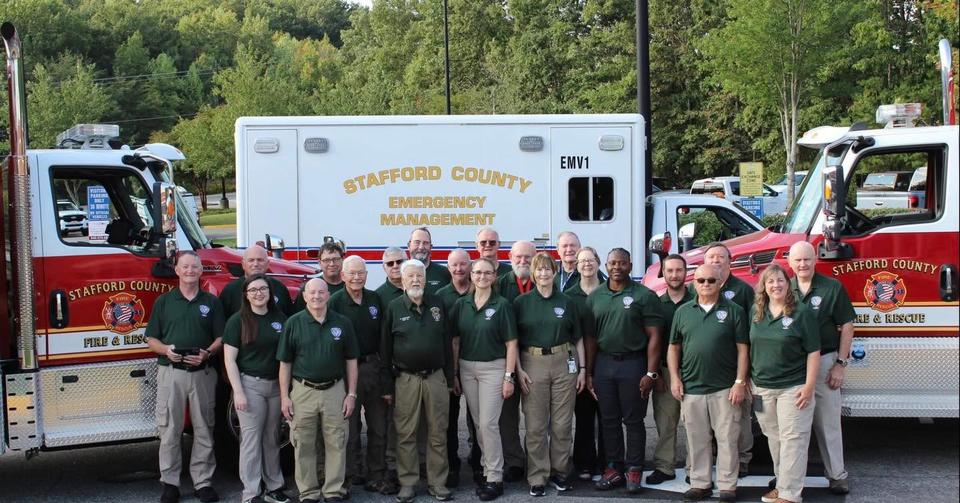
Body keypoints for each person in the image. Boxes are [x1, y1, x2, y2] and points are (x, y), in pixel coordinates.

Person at [145, 251, 225, 503]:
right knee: (170, 429)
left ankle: (203, 482)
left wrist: (207, 353)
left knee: (204, 428)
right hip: (171, 374)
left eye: (195, 267)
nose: (190, 271)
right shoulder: (164, 302)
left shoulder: (211, 302)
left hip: (203, 373)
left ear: (201, 271)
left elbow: (221, 337)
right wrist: (166, 350)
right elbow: (151, 339)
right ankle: (170, 483)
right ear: (177, 270)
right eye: (185, 267)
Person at [668, 264, 749, 503]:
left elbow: (743, 350)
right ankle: (700, 483)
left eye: (711, 280)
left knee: (727, 439)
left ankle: (727, 486)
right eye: (701, 280)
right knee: (697, 440)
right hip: (691, 387)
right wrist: (675, 378)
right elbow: (673, 347)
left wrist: (740, 382)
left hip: (725, 388)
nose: (706, 284)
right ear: (694, 283)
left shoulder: (734, 311)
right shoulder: (683, 312)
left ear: (720, 283)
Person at [586, 248, 663, 494]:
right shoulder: (595, 297)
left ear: (630, 266)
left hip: (633, 364)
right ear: (606, 266)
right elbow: (591, 338)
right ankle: (614, 468)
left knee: (633, 420)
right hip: (604, 365)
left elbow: (655, 336)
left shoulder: (644, 295)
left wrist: (650, 373)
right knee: (608, 420)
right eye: (612, 263)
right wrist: (589, 372)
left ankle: (634, 468)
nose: (616, 267)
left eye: (622, 263)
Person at [278, 278, 360, 503]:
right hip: (303, 391)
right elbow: (285, 363)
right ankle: (308, 492)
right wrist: (285, 397)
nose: (316, 296)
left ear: (328, 295)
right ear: (304, 296)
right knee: (303, 444)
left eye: (321, 292)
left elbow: (351, 360)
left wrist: (351, 394)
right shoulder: (294, 323)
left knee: (336, 441)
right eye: (312, 292)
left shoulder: (342, 322)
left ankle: (333, 490)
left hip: (335, 390)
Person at [380, 259, 455, 503]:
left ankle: (437, 483)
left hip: (436, 377)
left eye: (419, 276)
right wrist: (387, 386)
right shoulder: (393, 308)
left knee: (438, 432)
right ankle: (408, 483)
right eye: (410, 276)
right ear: (402, 281)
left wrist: (450, 378)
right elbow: (385, 350)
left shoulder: (438, 303)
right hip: (406, 379)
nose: (415, 280)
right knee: (406, 433)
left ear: (425, 278)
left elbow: (446, 343)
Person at [513, 253, 584, 496]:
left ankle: (559, 472)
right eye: (539, 269)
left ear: (555, 272)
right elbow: (513, 341)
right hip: (532, 362)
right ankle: (537, 476)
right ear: (533, 274)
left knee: (562, 424)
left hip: (564, 361)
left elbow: (578, 338)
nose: (544, 273)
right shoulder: (521, 303)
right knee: (535, 425)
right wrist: (518, 370)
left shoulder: (567, 301)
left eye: (548, 269)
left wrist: (582, 370)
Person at [787, 241, 854, 496]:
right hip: (793, 366)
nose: (802, 264)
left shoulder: (832, 287)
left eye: (807, 259)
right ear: (790, 262)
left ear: (815, 259)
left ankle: (837, 475)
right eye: (797, 260)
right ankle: (788, 477)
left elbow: (847, 325)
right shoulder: (783, 288)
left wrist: (840, 364)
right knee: (792, 427)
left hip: (825, 362)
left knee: (828, 424)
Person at [750, 264, 820, 503]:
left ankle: (790, 494)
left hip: (793, 386)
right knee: (774, 437)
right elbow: (748, 347)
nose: (776, 285)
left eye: (780, 280)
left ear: (788, 284)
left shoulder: (801, 312)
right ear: (764, 286)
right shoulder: (756, 312)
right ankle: (782, 485)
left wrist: (809, 386)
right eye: (770, 281)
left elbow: (814, 351)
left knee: (793, 439)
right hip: (762, 387)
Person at [452, 257, 519, 501]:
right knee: (479, 423)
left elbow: (511, 343)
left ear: (494, 276)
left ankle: (495, 478)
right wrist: (455, 373)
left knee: (488, 424)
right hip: (467, 369)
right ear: (471, 275)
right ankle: (486, 468)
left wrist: (509, 376)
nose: (482, 276)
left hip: (494, 368)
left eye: (487, 273)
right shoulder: (462, 304)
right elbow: (455, 341)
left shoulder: (502, 305)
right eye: (478, 272)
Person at [328, 257, 396, 494]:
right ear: (343, 276)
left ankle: (376, 474)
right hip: (347, 370)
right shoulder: (335, 302)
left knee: (379, 425)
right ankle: (351, 474)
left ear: (367, 275)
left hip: (373, 367)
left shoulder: (375, 299)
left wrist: (385, 375)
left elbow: (384, 339)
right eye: (352, 273)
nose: (357, 277)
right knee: (350, 426)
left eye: (361, 273)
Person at [222, 274, 290, 503]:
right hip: (250, 386)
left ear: (270, 293)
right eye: (253, 290)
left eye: (263, 289)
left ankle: (274, 487)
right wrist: (238, 392)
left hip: (276, 386)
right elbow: (229, 360)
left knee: (272, 438)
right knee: (251, 440)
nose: (259, 293)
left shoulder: (280, 319)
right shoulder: (237, 321)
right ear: (246, 294)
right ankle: (251, 493)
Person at [699, 242, 756, 476]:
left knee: (738, 418)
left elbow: (753, 331)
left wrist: (745, 374)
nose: (715, 260)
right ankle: (715, 457)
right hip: (706, 369)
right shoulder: (697, 286)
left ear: (730, 262)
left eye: (720, 257)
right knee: (709, 419)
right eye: (711, 257)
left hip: (735, 368)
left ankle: (742, 459)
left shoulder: (743, 290)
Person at [647, 254, 694, 486]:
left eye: (679, 270)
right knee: (666, 422)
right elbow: (651, 342)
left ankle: (695, 468)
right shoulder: (656, 304)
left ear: (686, 272)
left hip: (694, 371)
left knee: (695, 424)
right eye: (670, 271)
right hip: (665, 372)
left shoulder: (698, 300)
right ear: (663, 273)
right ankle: (664, 467)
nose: (674, 275)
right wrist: (654, 374)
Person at [491, 240, 535, 481]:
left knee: (536, 415)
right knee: (507, 415)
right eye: (518, 257)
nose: (523, 261)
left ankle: (536, 460)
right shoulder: (499, 284)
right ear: (510, 257)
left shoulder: (543, 280)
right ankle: (514, 461)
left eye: (528, 257)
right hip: (507, 357)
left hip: (535, 356)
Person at [435, 248, 472, 488]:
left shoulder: (481, 290)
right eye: (454, 265)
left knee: (478, 420)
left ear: (470, 266)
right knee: (449, 419)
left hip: (479, 363)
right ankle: (452, 466)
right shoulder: (440, 296)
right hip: (449, 367)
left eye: (463, 264)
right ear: (448, 268)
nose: (459, 269)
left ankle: (478, 463)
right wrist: (453, 372)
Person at [219, 245, 293, 318]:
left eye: (260, 260)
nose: (256, 264)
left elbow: (289, 320)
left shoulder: (279, 288)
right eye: (251, 260)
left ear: (267, 264)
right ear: (243, 264)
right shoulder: (230, 290)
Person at [294, 242, 347, 311]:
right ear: (319, 263)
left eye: (336, 259)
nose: (331, 264)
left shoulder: (351, 285)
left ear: (343, 260)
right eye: (326, 260)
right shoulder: (310, 287)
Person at [408, 227, 451, 294]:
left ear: (431, 247)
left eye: (425, 243)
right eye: (417, 242)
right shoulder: (400, 272)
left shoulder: (444, 273)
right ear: (409, 245)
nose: (421, 247)